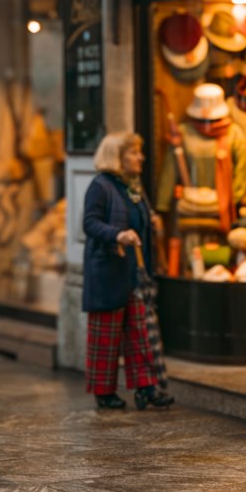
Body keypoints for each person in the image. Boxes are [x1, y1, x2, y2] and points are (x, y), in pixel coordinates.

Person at [82, 131, 175, 412]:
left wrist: (152, 222)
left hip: (135, 274)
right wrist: (117, 234)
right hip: (108, 273)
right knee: (106, 336)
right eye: (134, 153)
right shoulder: (100, 186)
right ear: (117, 158)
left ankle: (147, 389)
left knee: (141, 334)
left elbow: (139, 220)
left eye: (139, 152)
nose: (141, 157)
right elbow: (90, 223)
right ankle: (104, 392)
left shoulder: (134, 186)